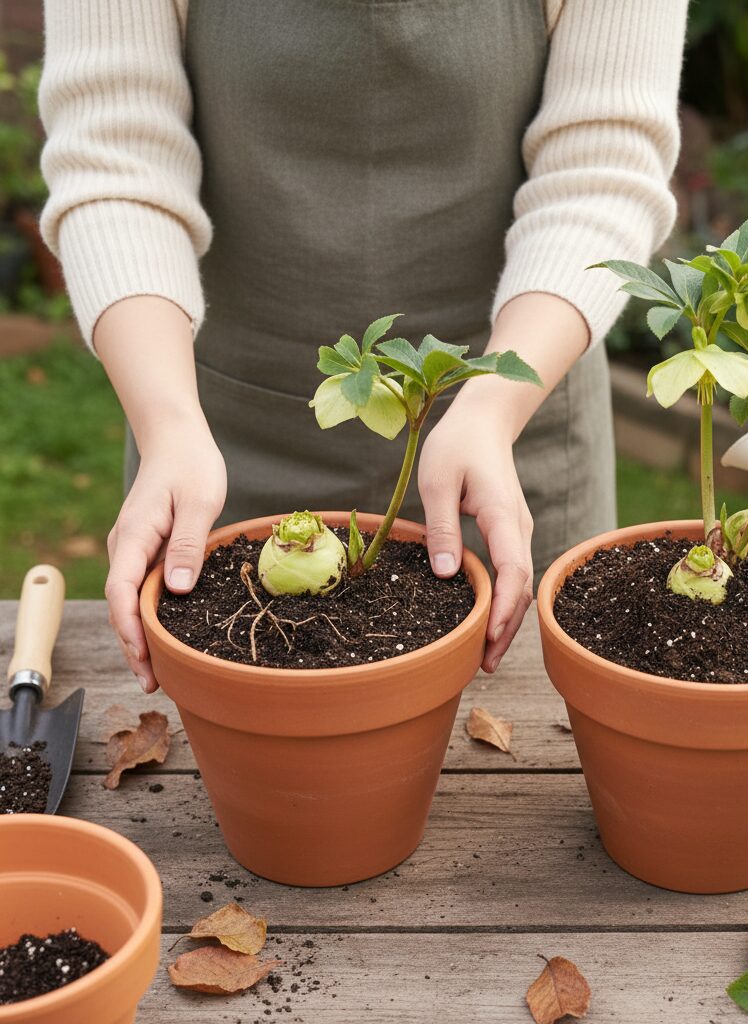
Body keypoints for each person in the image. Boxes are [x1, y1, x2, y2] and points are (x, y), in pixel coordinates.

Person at [39, 0, 688, 691]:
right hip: (218, 439)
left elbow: (601, 169)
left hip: (507, 430)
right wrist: (168, 425)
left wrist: (490, 411)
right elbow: (114, 159)